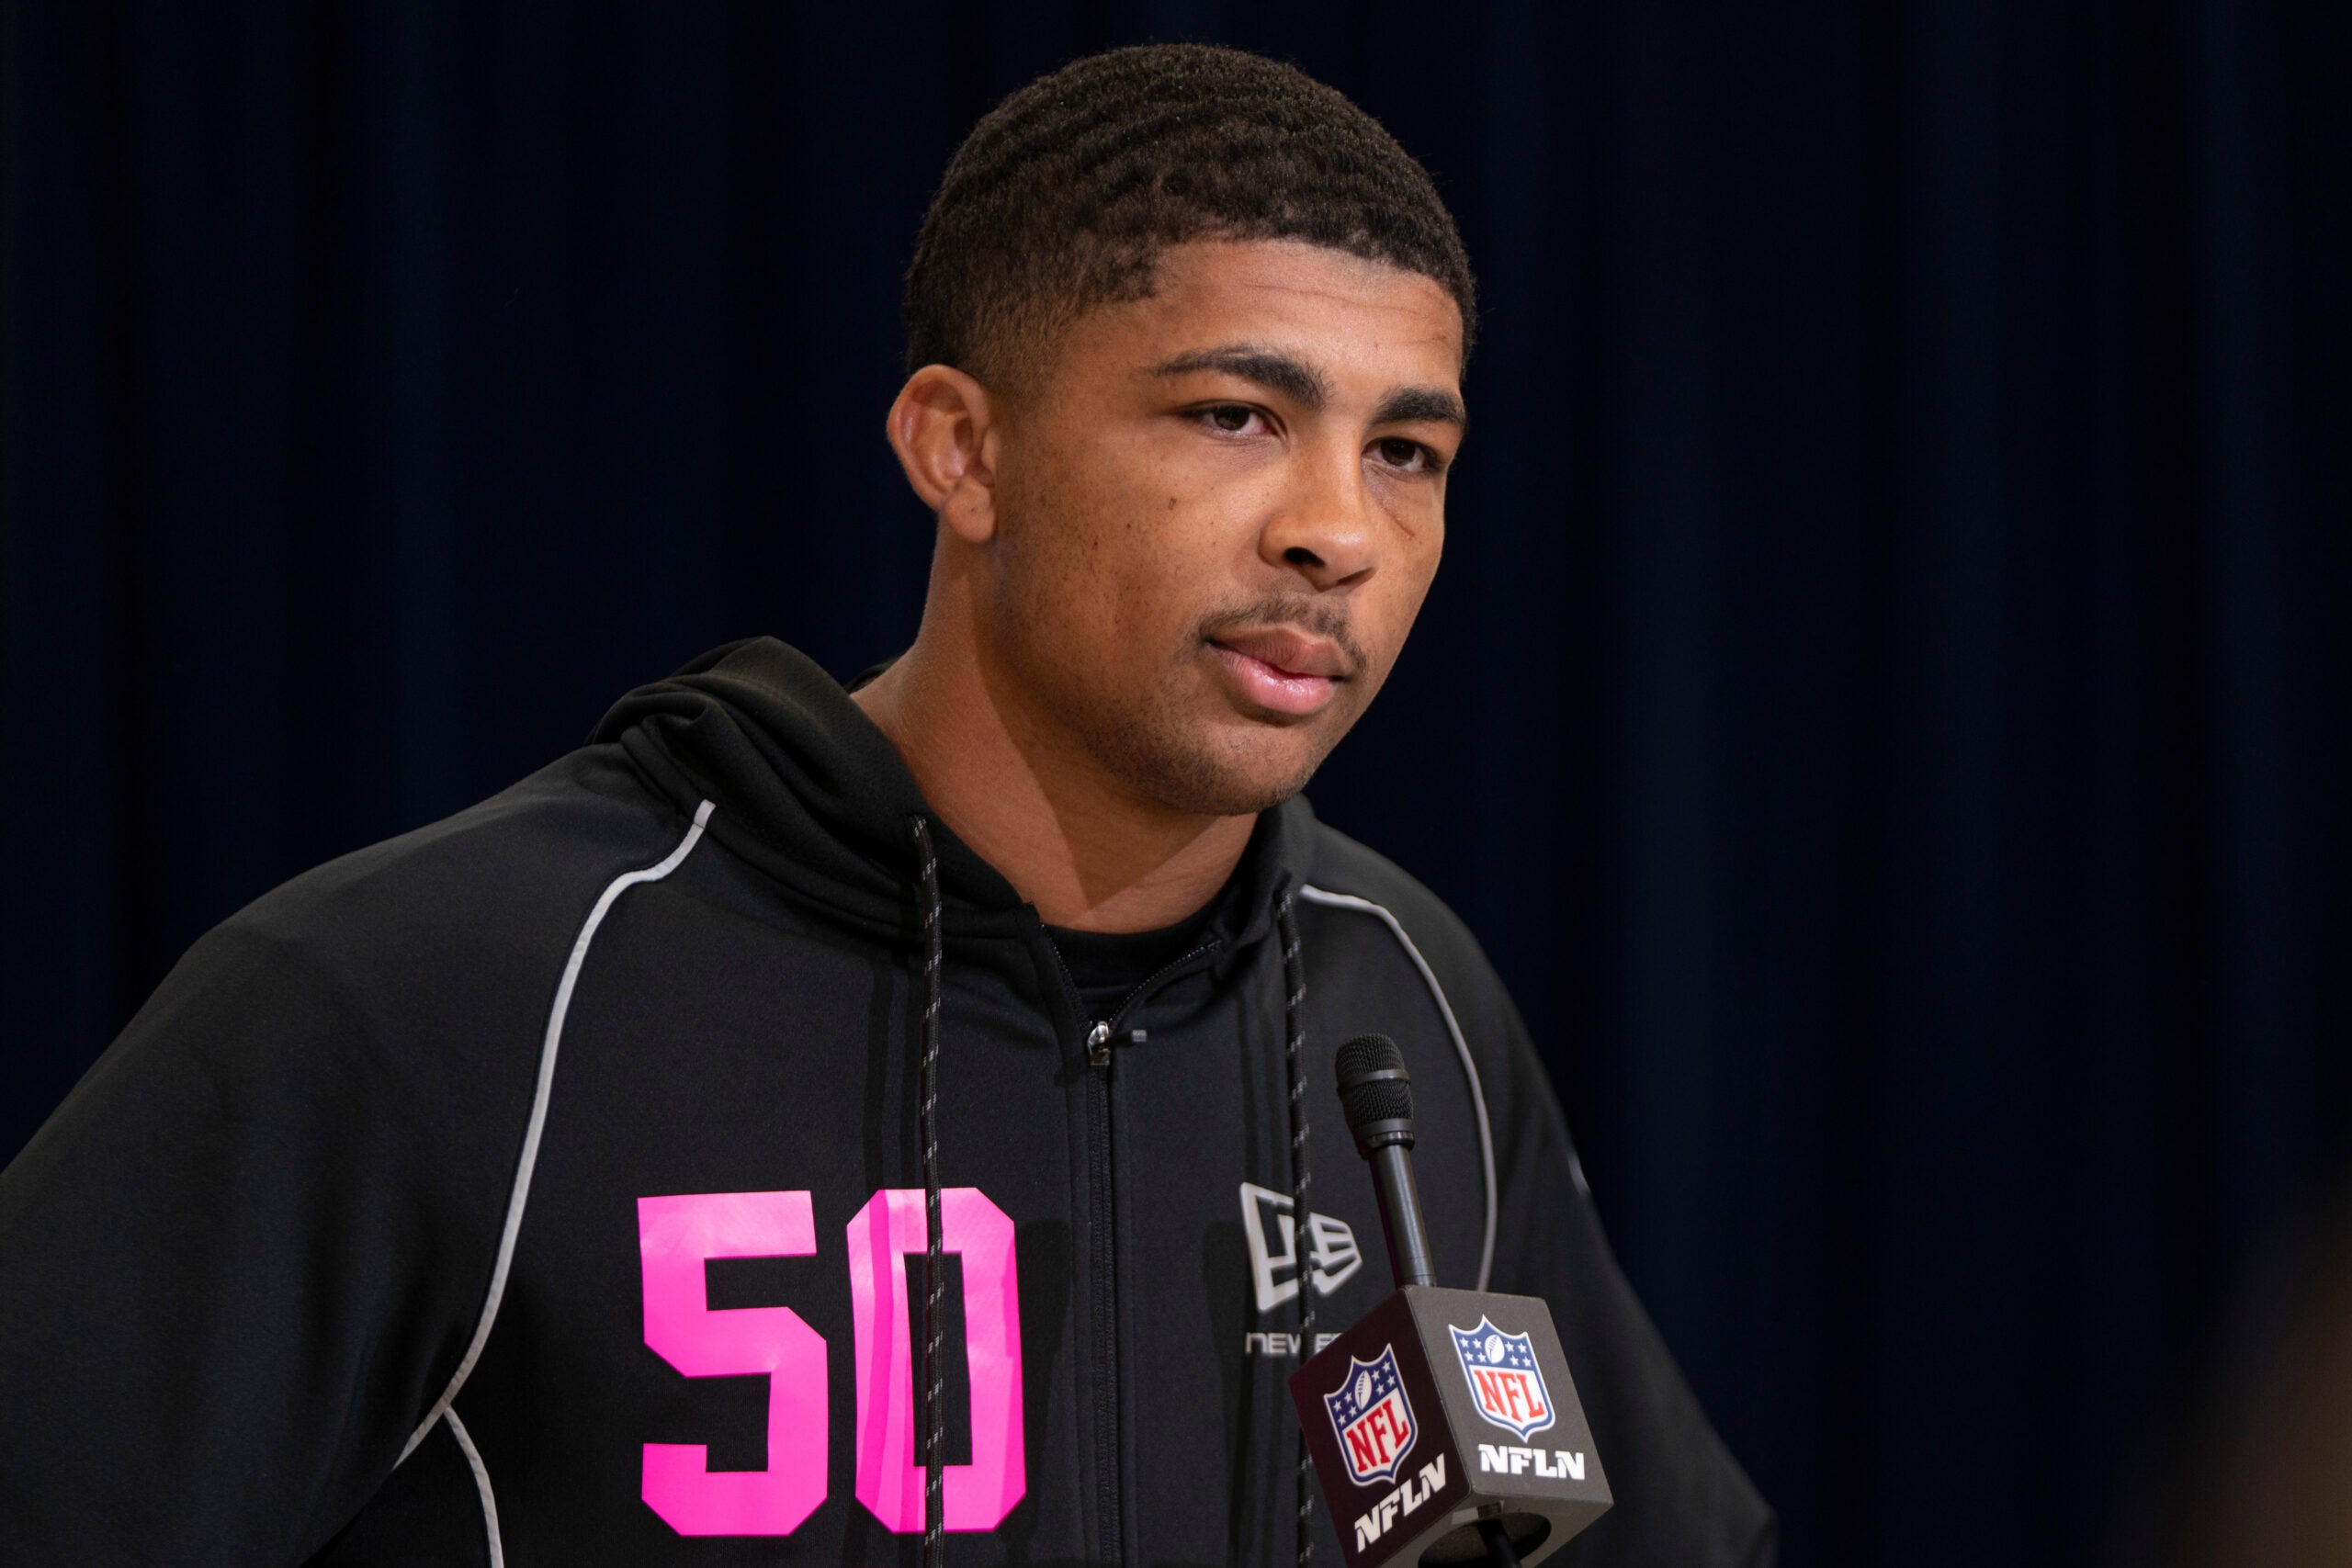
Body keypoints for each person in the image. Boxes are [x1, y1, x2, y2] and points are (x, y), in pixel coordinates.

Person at [0, 42, 1772, 1567]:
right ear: (962, 448)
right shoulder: (438, 1000)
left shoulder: (1411, 1005)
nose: (1342, 531)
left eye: (1407, 451)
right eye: (1236, 416)